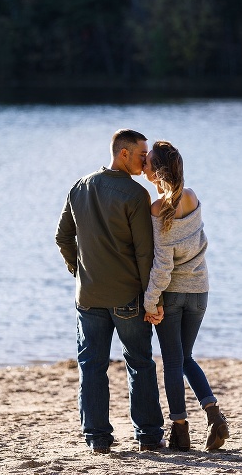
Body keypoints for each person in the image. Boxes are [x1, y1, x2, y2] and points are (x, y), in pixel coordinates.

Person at [55, 129, 164, 453]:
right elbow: (145, 253)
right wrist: (151, 299)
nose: (146, 160)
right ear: (124, 154)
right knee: (140, 363)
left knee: (91, 365)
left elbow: (62, 237)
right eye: (142, 155)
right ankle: (147, 436)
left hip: (88, 297)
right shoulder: (135, 195)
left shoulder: (80, 186)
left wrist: (78, 271)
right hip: (127, 297)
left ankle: (97, 438)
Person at [141, 140, 229, 451]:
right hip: (200, 290)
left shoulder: (158, 208)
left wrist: (150, 302)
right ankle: (214, 414)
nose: (143, 166)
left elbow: (163, 265)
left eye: (147, 162)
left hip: (175, 294)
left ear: (157, 171)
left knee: (173, 362)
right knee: (185, 357)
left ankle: (180, 428)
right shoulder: (191, 196)